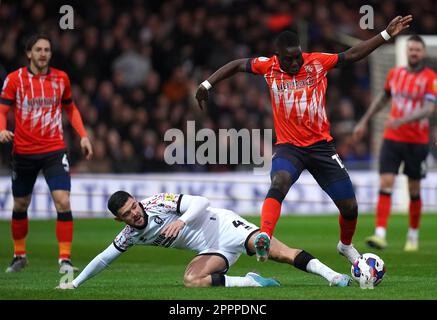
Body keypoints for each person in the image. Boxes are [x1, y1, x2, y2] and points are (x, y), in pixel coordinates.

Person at [195, 16, 413, 263]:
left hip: (321, 147)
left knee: (350, 208)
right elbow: (235, 65)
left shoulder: (316, 62)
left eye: (297, 55)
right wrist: (206, 84)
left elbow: (351, 55)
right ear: (277, 56)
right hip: (290, 148)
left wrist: (385, 34)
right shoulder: (268, 67)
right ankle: (264, 236)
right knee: (279, 182)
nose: (295, 61)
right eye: (289, 58)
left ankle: (345, 245)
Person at [58, 191, 352, 289]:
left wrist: (182, 221)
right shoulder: (129, 234)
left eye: (134, 206)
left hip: (224, 226)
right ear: (119, 219)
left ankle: (333, 275)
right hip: (211, 249)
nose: (135, 214)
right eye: (127, 213)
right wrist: (74, 283)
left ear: (137, 200)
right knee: (191, 280)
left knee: (281, 253)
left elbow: (201, 201)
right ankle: (252, 281)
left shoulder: (159, 202)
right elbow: (104, 258)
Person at [0, 34, 93, 273]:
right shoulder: (14, 80)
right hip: (23, 152)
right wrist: (1, 130)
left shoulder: (61, 79)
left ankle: (65, 259)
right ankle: (19, 254)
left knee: (63, 201)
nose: (43, 54)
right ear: (29, 53)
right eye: (38, 49)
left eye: (47, 50)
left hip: (53, 149)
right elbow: (2, 110)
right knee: (21, 204)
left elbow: (70, 108)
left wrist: (83, 135)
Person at [353, 35, 437, 252]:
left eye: (417, 50)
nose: (414, 53)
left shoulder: (430, 78)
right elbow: (382, 99)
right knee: (386, 183)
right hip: (392, 138)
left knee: (414, 189)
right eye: (411, 49)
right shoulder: (395, 74)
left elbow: (429, 110)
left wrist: (402, 119)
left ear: (423, 53)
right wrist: (363, 121)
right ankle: (380, 234)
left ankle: (413, 235)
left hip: (417, 141)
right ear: (407, 52)